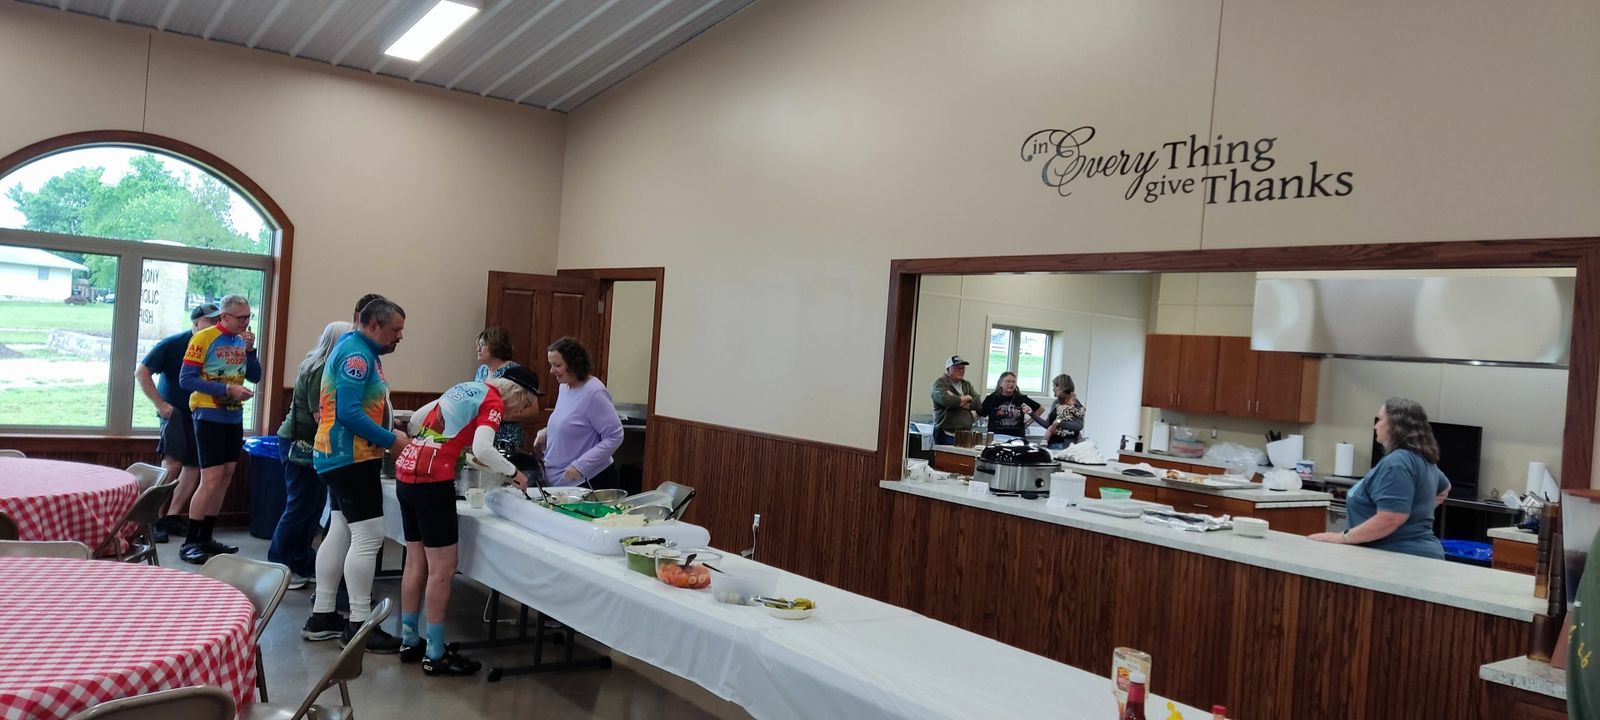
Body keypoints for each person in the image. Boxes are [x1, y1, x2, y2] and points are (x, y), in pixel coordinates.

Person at [394, 374, 537, 676]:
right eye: (521, 407)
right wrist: (514, 473)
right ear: (516, 396)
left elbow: (418, 419)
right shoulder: (493, 401)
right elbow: (483, 449)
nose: (515, 413)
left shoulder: (465, 388)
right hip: (433, 482)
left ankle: (409, 640)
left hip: (407, 472)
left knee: (415, 563)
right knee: (442, 570)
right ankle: (435, 653)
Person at [302, 298, 409, 653]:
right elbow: (348, 412)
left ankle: (323, 614)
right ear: (374, 325)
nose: (400, 337)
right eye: (395, 330)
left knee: (340, 530)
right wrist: (391, 441)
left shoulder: (358, 349)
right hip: (351, 458)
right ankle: (360, 623)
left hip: (338, 456)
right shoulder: (357, 356)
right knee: (368, 536)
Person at [1310, 397, 1450, 559]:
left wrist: (1343, 537)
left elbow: (1392, 517)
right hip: (1418, 554)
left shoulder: (1397, 463)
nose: (1376, 425)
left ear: (1395, 426)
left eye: (1381, 419)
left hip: (1400, 557)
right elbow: (1445, 488)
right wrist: (1416, 511)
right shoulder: (1421, 459)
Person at [176, 295, 261, 564]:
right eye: (240, 318)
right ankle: (190, 542)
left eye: (249, 317)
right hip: (208, 414)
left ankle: (206, 537)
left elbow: (255, 376)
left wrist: (250, 352)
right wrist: (226, 388)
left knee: (225, 477)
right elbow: (186, 379)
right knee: (210, 479)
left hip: (234, 416)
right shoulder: (204, 338)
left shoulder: (241, 341)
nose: (245, 322)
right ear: (224, 316)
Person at [269, 320, 352, 589]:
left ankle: (301, 560)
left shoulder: (325, 365)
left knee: (313, 506)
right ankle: (280, 564)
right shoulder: (320, 369)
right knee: (299, 506)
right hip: (299, 443)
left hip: (313, 444)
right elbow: (322, 416)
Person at [134, 302, 218, 543]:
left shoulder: (216, 346)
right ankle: (153, 519)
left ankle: (171, 516)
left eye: (218, 321)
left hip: (201, 413)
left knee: (194, 467)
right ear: (196, 323)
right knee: (172, 465)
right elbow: (142, 372)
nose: (215, 325)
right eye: (210, 321)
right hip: (176, 413)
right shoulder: (173, 344)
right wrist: (160, 405)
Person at [533, 337, 624, 488]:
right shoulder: (565, 387)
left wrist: (581, 466)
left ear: (574, 364)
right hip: (561, 482)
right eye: (551, 365)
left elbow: (615, 435)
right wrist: (546, 433)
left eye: (557, 365)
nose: (551, 371)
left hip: (589, 480)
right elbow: (572, 422)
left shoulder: (594, 392)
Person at [473, 327, 542, 448]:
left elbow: (533, 410)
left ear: (495, 346)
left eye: (482, 345)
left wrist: (501, 416)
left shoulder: (517, 372)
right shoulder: (482, 370)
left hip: (508, 436)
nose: (477, 349)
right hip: (484, 433)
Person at [930, 355, 978, 445]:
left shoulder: (966, 384)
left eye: (963, 368)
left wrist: (959, 401)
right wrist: (967, 398)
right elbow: (948, 401)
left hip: (965, 433)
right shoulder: (939, 384)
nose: (961, 370)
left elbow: (978, 403)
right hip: (946, 434)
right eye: (957, 368)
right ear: (948, 369)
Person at [978, 372, 1041, 441]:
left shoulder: (1021, 398)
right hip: (996, 437)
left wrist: (1028, 423)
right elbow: (980, 413)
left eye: (1013, 382)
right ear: (1000, 383)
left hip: (1017, 438)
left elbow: (1040, 409)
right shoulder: (991, 398)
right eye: (1008, 381)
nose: (1011, 384)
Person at [1038, 374, 1086, 449]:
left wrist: (1060, 422)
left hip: (1065, 444)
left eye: (1053, 386)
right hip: (1053, 443)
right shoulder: (1056, 403)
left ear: (1059, 387)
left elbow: (1079, 425)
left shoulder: (1074, 403)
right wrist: (1031, 413)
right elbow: (1048, 424)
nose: (1052, 389)